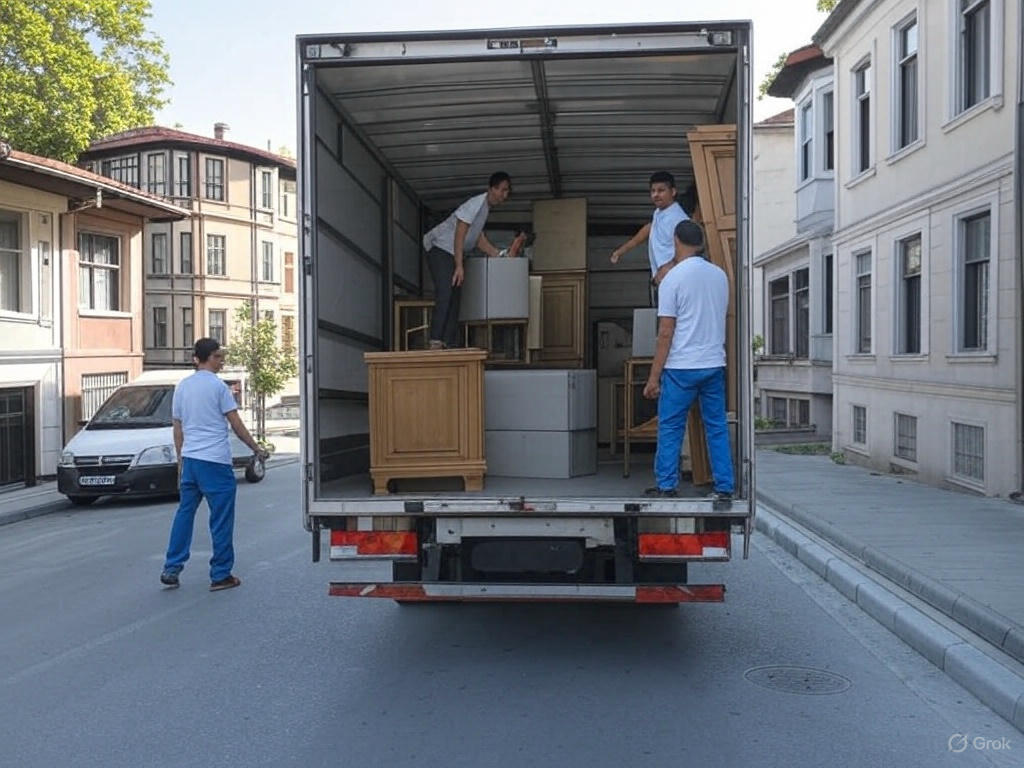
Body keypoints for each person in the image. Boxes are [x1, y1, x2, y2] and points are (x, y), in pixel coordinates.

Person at [160, 338, 269, 591]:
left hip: (191, 460)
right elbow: (236, 424)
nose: (222, 361)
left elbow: (178, 427)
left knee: (185, 514)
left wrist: (181, 460)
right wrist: (256, 449)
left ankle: (172, 567)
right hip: (215, 461)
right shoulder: (219, 388)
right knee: (221, 518)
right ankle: (220, 574)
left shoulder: (183, 388)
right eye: (218, 357)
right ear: (205, 358)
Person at [642, 220, 734, 503]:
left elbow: (666, 332)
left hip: (681, 367)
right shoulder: (720, 276)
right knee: (716, 425)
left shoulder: (673, 279)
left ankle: (667, 486)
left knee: (670, 426)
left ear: (676, 241)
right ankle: (724, 487)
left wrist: (653, 377)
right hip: (713, 364)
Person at [422, 171, 512, 349]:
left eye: (507, 191)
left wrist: (498, 254)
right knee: (445, 293)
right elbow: (460, 233)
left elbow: (477, 238)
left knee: (455, 297)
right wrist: (459, 265)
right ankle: (435, 340)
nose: (505, 195)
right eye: (503, 190)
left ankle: (449, 341)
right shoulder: (476, 203)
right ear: (492, 189)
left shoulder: (485, 209)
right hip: (440, 249)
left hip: (451, 253)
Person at [609, 171, 690, 305]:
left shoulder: (679, 220)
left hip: (677, 282)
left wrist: (664, 271)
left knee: (672, 323)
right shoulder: (659, 213)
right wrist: (621, 251)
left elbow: (688, 252)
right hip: (665, 281)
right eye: (653, 191)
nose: (656, 195)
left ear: (673, 191)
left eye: (661, 190)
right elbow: (648, 230)